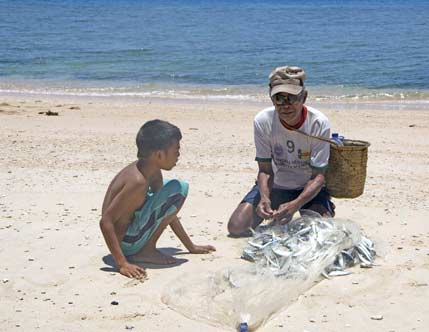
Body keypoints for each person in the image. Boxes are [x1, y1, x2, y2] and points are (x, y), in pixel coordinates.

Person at [100, 119, 216, 279]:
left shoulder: (150, 169)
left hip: (129, 235)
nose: (178, 155)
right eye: (176, 150)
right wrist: (122, 264)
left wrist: (190, 246)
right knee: (177, 189)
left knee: (172, 190)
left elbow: (167, 210)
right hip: (126, 243)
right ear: (159, 154)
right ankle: (145, 251)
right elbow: (106, 221)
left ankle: (145, 248)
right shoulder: (137, 182)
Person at [227, 66, 335, 236]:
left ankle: (319, 206)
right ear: (271, 98)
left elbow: (318, 177)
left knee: (322, 232)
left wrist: (296, 204)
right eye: (279, 98)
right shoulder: (263, 120)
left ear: (304, 97)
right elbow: (265, 169)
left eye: (292, 98)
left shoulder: (318, 123)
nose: (286, 105)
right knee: (236, 227)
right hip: (276, 187)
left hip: (308, 189)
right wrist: (265, 198)